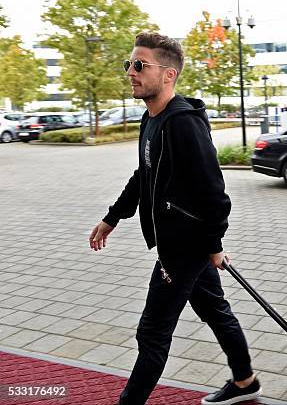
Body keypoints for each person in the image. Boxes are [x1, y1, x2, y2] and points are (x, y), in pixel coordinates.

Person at [88, 32, 261, 405]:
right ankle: (246, 381)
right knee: (216, 310)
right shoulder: (152, 120)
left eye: (139, 65)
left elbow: (215, 193)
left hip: (184, 248)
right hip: (184, 243)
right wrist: (113, 217)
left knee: (152, 332)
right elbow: (144, 174)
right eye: (129, 64)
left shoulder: (183, 123)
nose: (130, 72)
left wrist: (213, 246)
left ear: (168, 75)